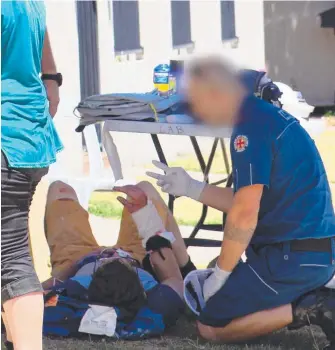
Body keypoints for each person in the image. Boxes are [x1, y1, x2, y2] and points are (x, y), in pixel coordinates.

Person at [147, 57, 335, 349]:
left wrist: (220, 274)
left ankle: (314, 306)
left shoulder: (249, 126)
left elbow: (245, 215)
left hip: (292, 257)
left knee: (209, 325)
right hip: (308, 252)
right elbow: (246, 201)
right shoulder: (264, 117)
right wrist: (192, 187)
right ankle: (308, 296)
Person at [13, 180, 195, 343]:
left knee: (60, 189)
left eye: (108, 263)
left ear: (90, 283)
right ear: (141, 289)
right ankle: (190, 271)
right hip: (134, 256)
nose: (113, 257)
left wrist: (66, 273)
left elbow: (29, 298)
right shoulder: (154, 306)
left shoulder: (75, 290)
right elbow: (173, 278)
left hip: (79, 261)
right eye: (118, 263)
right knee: (145, 189)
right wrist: (146, 219)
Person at [1, 1, 63, 349]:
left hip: (7, 139)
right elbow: (43, 51)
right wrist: (51, 79)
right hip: (28, 136)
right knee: (11, 251)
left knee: (10, 258)